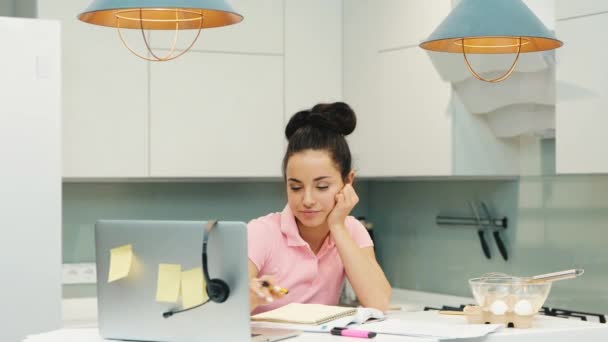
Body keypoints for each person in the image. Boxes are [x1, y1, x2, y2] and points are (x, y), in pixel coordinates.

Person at [247, 102, 391, 315]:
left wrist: (337, 227)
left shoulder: (351, 230)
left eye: (321, 187)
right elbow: (225, 309)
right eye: (295, 187)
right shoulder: (261, 232)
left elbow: (379, 302)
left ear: (348, 181)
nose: (307, 200)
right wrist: (250, 297)